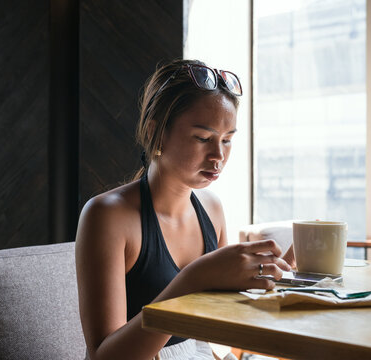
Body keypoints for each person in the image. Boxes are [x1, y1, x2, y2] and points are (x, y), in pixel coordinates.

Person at [75, 59, 293, 360]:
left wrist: (279, 287)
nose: (218, 155)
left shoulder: (211, 208)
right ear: (156, 133)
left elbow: (217, 325)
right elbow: (104, 357)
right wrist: (193, 279)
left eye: (227, 140)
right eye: (203, 138)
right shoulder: (107, 216)